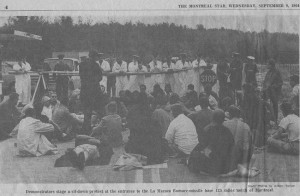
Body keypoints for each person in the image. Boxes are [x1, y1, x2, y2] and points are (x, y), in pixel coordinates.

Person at [188, 109, 235, 175]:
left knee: (195, 155)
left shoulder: (208, 129)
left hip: (215, 166)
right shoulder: (227, 131)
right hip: (227, 166)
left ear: (212, 118)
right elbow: (232, 146)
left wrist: (193, 154)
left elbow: (200, 146)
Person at [125, 92, 165, 164]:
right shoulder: (148, 109)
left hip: (136, 141)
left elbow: (129, 125)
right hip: (148, 141)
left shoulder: (132, 110)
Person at [79, 50, 103, 134]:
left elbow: (81, 76)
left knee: (86, 112)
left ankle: (86, 129)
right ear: (95, 57)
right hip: (94, 92)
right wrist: (93, 81)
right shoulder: (96, 65)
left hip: (84, 91)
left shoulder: (81, 64)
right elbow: (100, 77)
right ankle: (101, 127)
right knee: (99, 110)